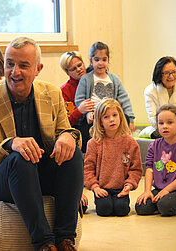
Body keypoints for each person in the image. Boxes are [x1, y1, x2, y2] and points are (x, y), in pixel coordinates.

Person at [0, 37, 84, 251]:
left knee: (73, 155)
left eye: (23, 66)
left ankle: (65, 239)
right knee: (20, 158)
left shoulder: (52, 93)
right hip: (1, 178)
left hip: (40, 173)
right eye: (10, 64)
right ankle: (44, 243)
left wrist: (69, 136)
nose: (14, 72)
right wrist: (10, 145)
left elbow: (67, 131)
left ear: (38, 69)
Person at [84, 98, 142, 216]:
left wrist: (129, 185)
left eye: (114, 115)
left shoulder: (130, 143)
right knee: (104, 209)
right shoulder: (94, 143)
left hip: (121, 189)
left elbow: (135, 169)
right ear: (100, 121)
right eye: (106, 117)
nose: (111, 119)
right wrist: (95, 187)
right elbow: (88, 169)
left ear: (120, 116)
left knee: (122, 210)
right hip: (102, 188)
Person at [74, 41, 135, 149]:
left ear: (108, 60)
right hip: (94, 115)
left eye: (104, 59)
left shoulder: (114, 79)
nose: (100, 63)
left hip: (110, 114)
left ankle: (120, 149)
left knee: (124, 118)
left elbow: (124, 99)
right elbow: (79, 98)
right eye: (97, 60)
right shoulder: (86, 79)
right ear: (91, 61)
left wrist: (130, 119)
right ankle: (87, 154)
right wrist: (88, 113)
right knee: (84, 130)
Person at [135, 104, 176, 216]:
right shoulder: (154, 146)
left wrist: (167, 190)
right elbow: (149, 169)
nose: (165, 126)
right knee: (141, 207)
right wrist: (147, 191)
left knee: (165, 206)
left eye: (170, 122)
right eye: (161, 123)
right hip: (159, 188)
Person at [60, 51, 94, 213]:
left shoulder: (97, 79)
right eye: (73, 69)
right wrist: (79, 110)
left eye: (79, 65)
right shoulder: (65, 91)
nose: (79, 70)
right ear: (67, 72)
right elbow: (66, 123)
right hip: (80, 128)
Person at [144, 56, 176, 138]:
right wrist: (169, 124)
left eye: (174, 72)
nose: (171, 76)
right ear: (159, 74)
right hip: (162, 128)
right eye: (166, 73)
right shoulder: (150, 91)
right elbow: (153, 120)